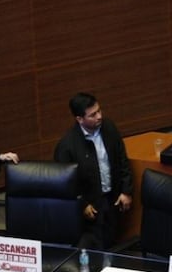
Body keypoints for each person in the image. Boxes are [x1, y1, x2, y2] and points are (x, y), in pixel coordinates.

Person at [54, 92, 133, 250]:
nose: (99, 116)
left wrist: (126, 190)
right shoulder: (67, 146)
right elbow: (65, 183)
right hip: (91, 207)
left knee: (112, 244)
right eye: (92, 115)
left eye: (99, 111)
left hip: (113, 199)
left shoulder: (109, 128)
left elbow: (122, 160)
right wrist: (82, 204)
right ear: (79, 119)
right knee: (94, 248)